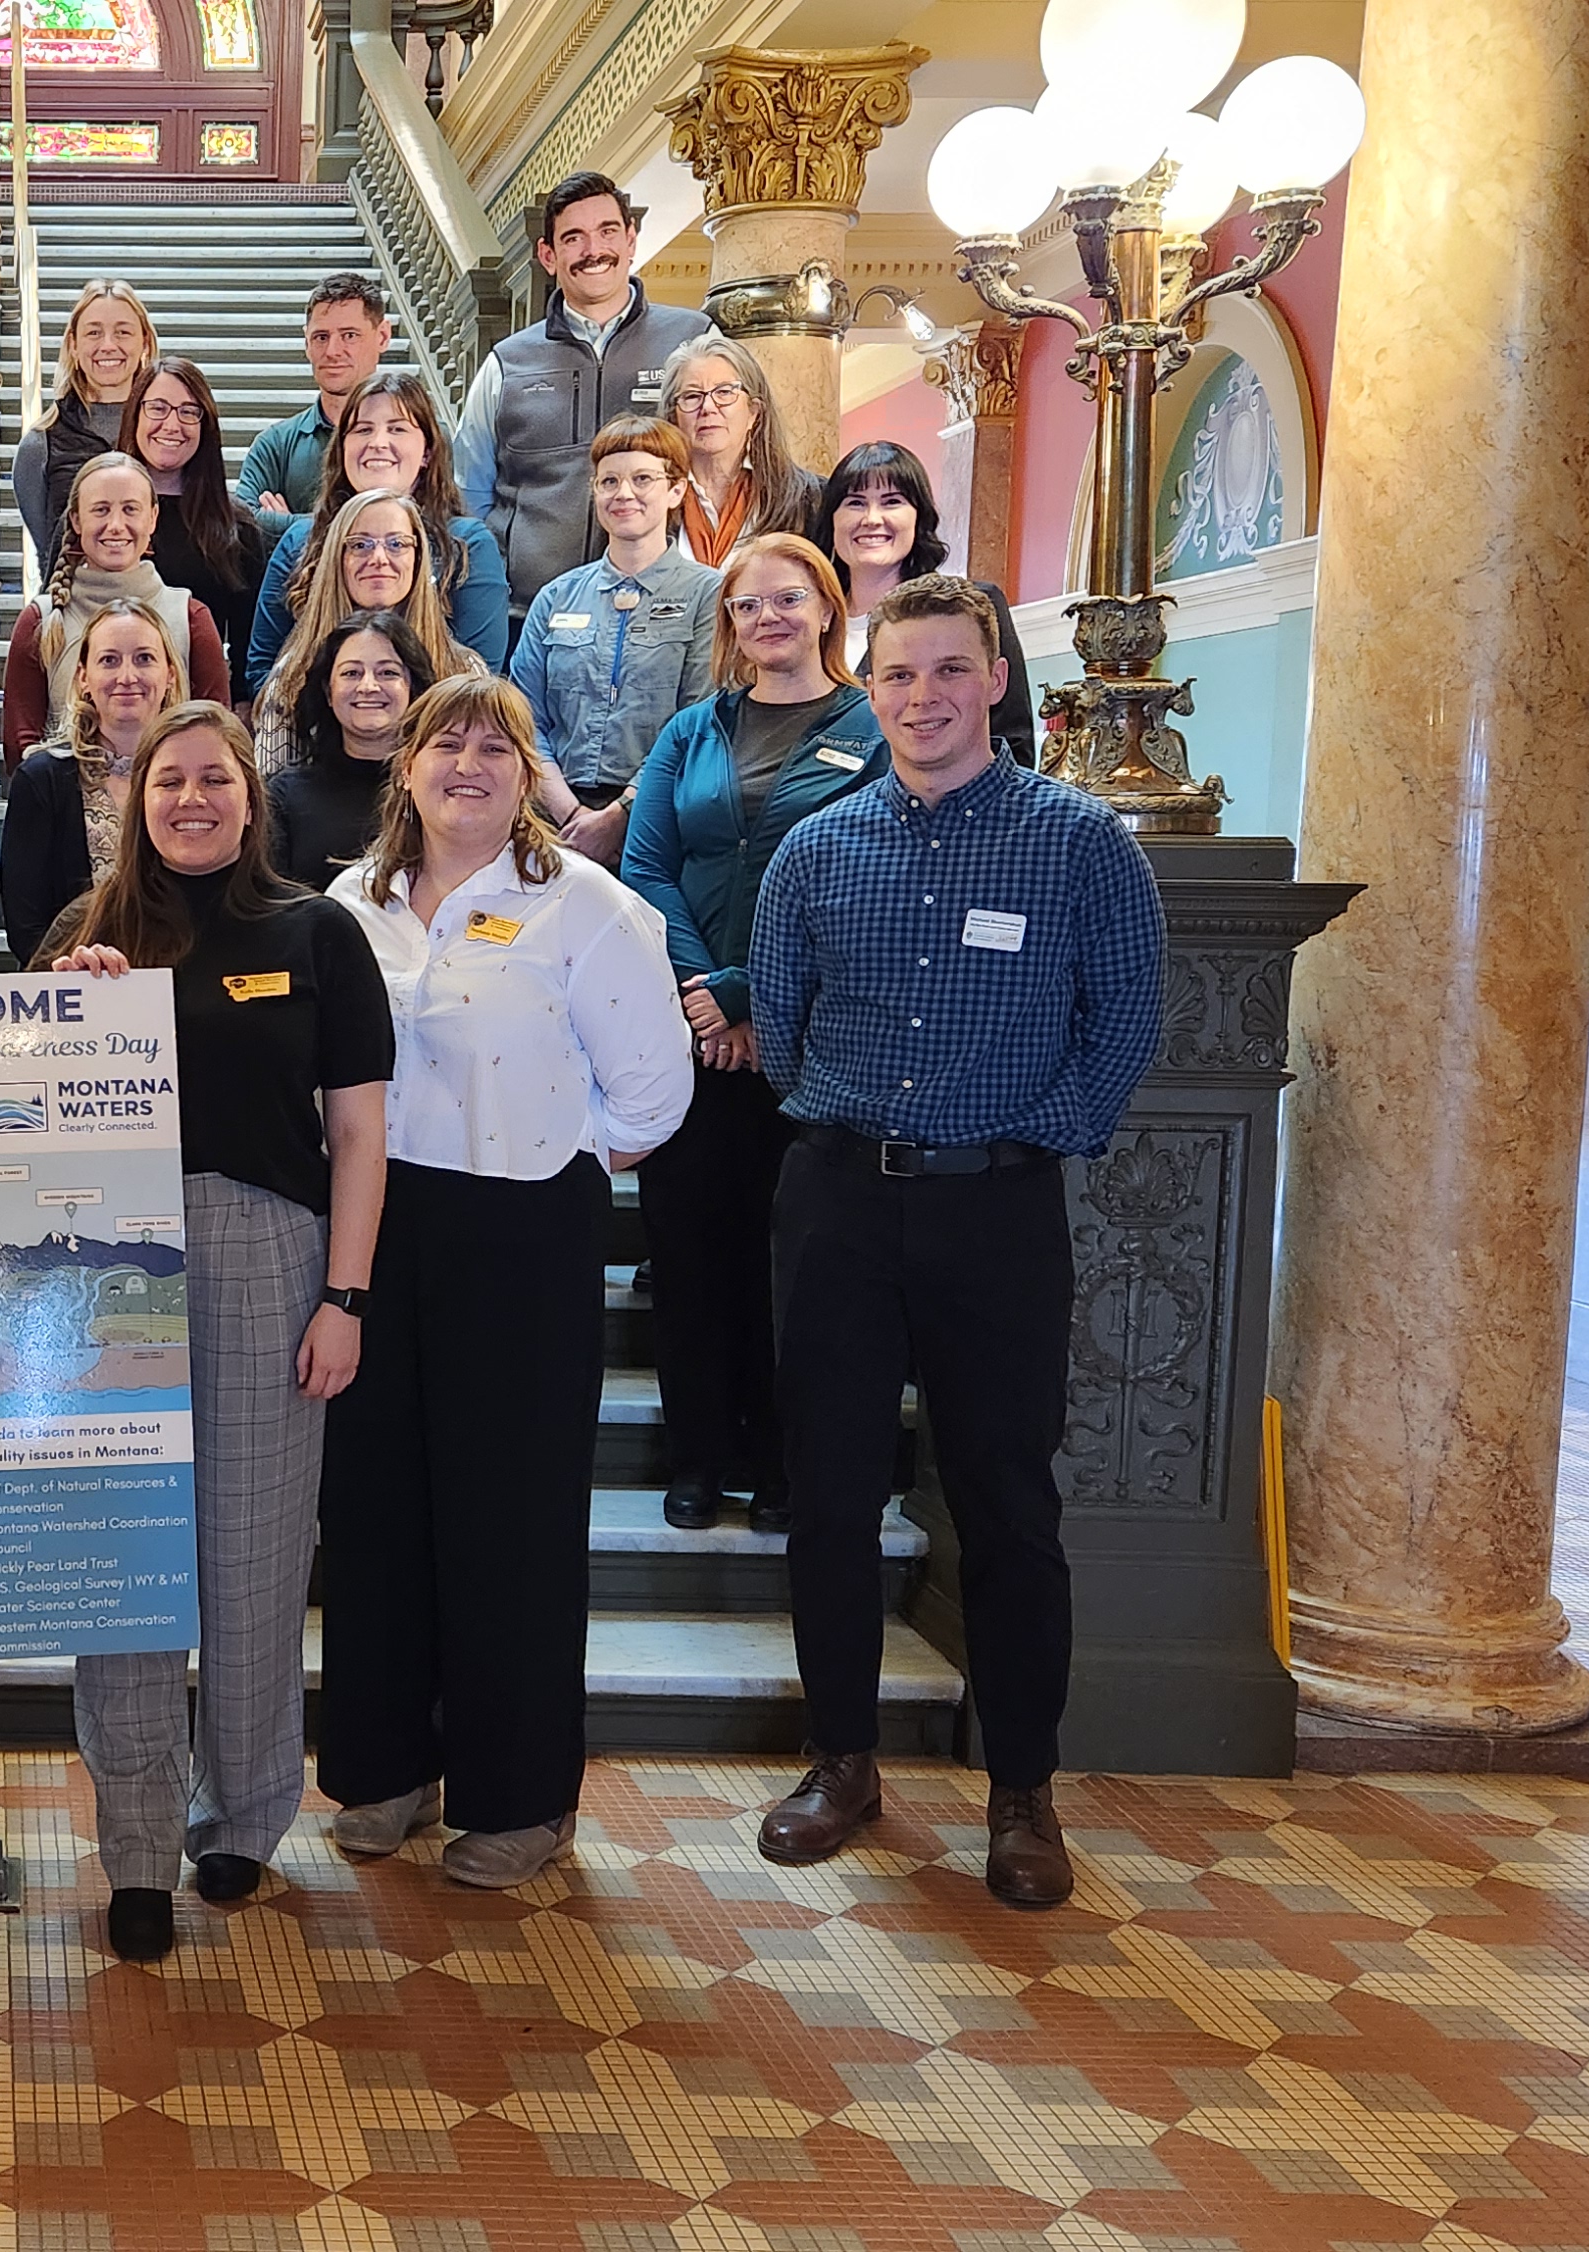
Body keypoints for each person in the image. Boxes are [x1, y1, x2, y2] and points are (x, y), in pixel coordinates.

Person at [745, 574, 1162, 1910]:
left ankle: (1023, 1788)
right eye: (898, 673)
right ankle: (842, 1760)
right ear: (869, 689)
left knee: (1007, 1503)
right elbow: (780, 1025)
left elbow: (1123, 1022)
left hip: (997, 1209)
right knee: (828, 1495)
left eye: (947, 671)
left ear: (992, 681)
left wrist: (1037, 1132)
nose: (922, 696)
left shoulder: (1081, 844)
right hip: (839, 1202)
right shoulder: (816, 848)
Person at [317, 674, 691, 1891]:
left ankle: (520, 1795)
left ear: (529, 773)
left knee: (511, 1521)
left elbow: (653, 1093)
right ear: (406, 765)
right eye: (446, 743)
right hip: (375, 1225)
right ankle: (385, 1769)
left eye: (496, 747)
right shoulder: (351, 902)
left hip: (521, 1226)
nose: (467, 764)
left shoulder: (584, 906)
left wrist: (555, 1158)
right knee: (376, 1509)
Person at [29, 705, 388, 1964]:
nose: (190, 798)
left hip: (264, 1257)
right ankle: (134, 1845)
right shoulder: (86, 933)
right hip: (103, 1264)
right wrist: (57, 1016)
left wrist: (344, 1296)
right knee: (125, 1557)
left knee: (252, 1557)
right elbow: (13, 1117)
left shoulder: (316, 930)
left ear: (250, 795)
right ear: (135, 802)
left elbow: (358, 1132)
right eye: (167, 780)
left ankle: (239, 1815)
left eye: (213, 778)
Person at [615, 533, 885, 1539]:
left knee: (796, 1269)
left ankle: (780, 1462)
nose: (767, 617)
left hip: (809, 1044)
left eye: (787, 599)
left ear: (825, 608)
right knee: (688, 1255)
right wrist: (706, 993)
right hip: (689, 1038)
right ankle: (697, 1458)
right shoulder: (693, 730)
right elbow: (646, 867)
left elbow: (866, 884)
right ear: (727, 622)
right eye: (746, 604)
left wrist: (752, 996)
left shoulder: (871, 728)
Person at [456, 172, 714, 623]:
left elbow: (727, 463)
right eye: (573, 238)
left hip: (666, 612)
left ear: (631, 240)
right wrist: (496, 577)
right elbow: (468, 491)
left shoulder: (694, 340)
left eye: (607, 231)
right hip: (530, 616)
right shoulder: (506, 364)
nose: (593, 250)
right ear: (548, 256)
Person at [510, 416, 722, 863]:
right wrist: (570, 815)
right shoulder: (555, 597)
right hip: (554, 823)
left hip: (661, 823)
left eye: (642, 479)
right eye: (609, 481)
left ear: (676, 490)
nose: (623, 493)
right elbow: (523, 719)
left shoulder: (710, 595)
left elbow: (701, 717)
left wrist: (621, 814)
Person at [243, 373, 506, 694]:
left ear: (426, 452)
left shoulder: (467, 545)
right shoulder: (301, 541)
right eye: (363, 429)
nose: (378, 442)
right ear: (342, 448)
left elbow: (479, 681)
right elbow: (262, 668)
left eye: (397, 429)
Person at [812, 439, 1036, 767]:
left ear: (919, 518)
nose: (872, 518)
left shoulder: (970, 608)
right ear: (831, 519)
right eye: (855, 503)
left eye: (892, 502)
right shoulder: (807, 620)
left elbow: (1013, 743)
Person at [1, 452, 228, 770]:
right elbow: (22, 747)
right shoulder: (42, 620)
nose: (116, 526)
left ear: (153, 517)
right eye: (101, 510)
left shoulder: (191, 618)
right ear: (76, 520)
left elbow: (216, 735)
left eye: (130, 509)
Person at [0, 599, 177, 959]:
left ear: (170, 675)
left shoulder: (199, 779)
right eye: (109, 660)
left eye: (144, 658)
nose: (127, 677)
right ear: (83, 678)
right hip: (78, 980)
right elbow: (27, 927)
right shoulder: (41, 780)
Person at [250, 490, 483, 742]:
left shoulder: (465, 670)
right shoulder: (291, 677)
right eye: (360, 545)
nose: (379, 559)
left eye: (397, 544)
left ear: (417, 558)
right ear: (338, 559)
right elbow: (272, 769)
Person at [263, 608, 433, 891]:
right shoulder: (284, 796)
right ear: (328, 692)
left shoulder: (440, 791)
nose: (368, 686)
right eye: (351, 673)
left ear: (412, 689)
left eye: (388, 673)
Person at [132, 355, 267, 687]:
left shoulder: (237, 527)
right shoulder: (97, 512)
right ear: (134, 414)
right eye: (158, 408)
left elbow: (248, 646)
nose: (172, 425)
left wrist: (240, 702)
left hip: (200, 702)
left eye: (189, 412)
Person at [12, 277, 160, 565]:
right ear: (73, 345)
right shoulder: (40, 445)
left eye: (123, 332)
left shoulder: (168, 435)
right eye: (94, 333)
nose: (108, 345)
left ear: (144, 342)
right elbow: (47, 554)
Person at [236, 274, 394, 522]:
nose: (332, 351)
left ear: (382, 336)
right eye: (321, 337)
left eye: (349, 335)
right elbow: (245, 526)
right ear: (306, 342)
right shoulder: (274, 445)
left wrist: (291, 525)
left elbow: (436, 526)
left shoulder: (421, 437)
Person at [657, 335, 816, 572]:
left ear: (753, 412)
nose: (708, 408)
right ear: (673, 417)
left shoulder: (806, 498)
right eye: (692, 396)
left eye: (724, 392)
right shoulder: (651, 495)